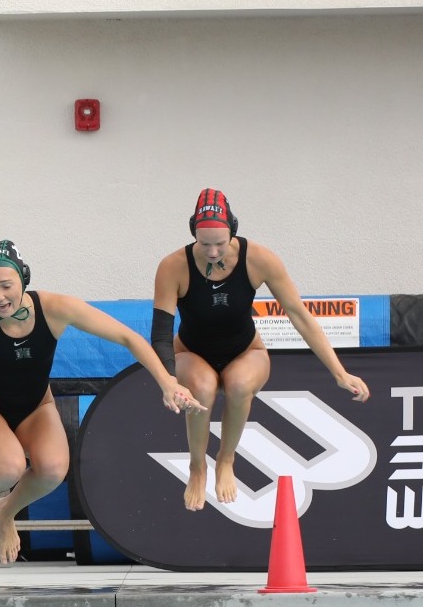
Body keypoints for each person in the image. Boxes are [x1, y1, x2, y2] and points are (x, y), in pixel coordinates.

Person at [0, 240, 205, 571]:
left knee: (52, 470)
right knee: (9, 466)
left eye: (6, 286)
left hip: (35, 406)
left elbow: (128, 338)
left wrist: (167, 382)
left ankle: (6, 511)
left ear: (24, 280)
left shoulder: (54, 309)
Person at [152, 188, 370, 510]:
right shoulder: (173, 266)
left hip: (245, 351)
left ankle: (226, 460)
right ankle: (198, 467)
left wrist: (339, 372)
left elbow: (299, 315)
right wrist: (169, 381)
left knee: (239, 385)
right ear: (193, 233)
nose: (212, 252)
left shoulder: (259, 260)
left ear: (233, 232)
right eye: (204, 243)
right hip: (190, 352)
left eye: (220, 244)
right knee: (202, 386)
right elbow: (160, 334)